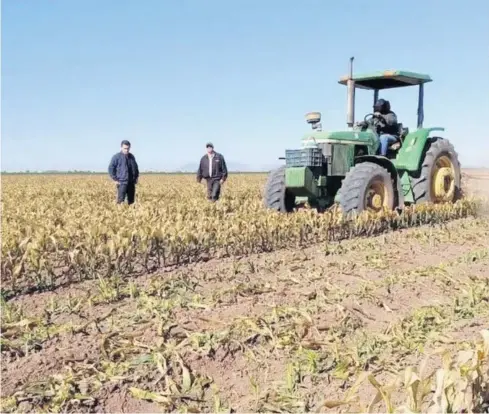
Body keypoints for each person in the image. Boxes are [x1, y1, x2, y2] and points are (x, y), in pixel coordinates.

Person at [108, 140, 140, 205]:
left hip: (131, 182)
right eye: (125, 148)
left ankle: (131, 214)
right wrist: (115, 179)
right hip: (122, 182)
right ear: (121, 147)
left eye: (128, 148)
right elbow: (111, 168)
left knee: (131, 202)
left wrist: (136, 177)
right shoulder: (116, 157)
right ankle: (119, 214)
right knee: (120, 201)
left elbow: (136, 168)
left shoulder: (132, 157)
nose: (126, 150)